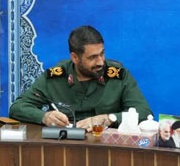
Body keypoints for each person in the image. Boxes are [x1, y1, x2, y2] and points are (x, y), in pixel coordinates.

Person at [9, 25, 152, 132]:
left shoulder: (118, 76)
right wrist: (44, 116)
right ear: (75, 58)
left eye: (102, 54)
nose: (100, 62)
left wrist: (109, 118)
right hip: (65, 147)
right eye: (92, 57)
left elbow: (144, 112)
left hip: (106, 146)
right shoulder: (55, 77)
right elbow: (17, 108)